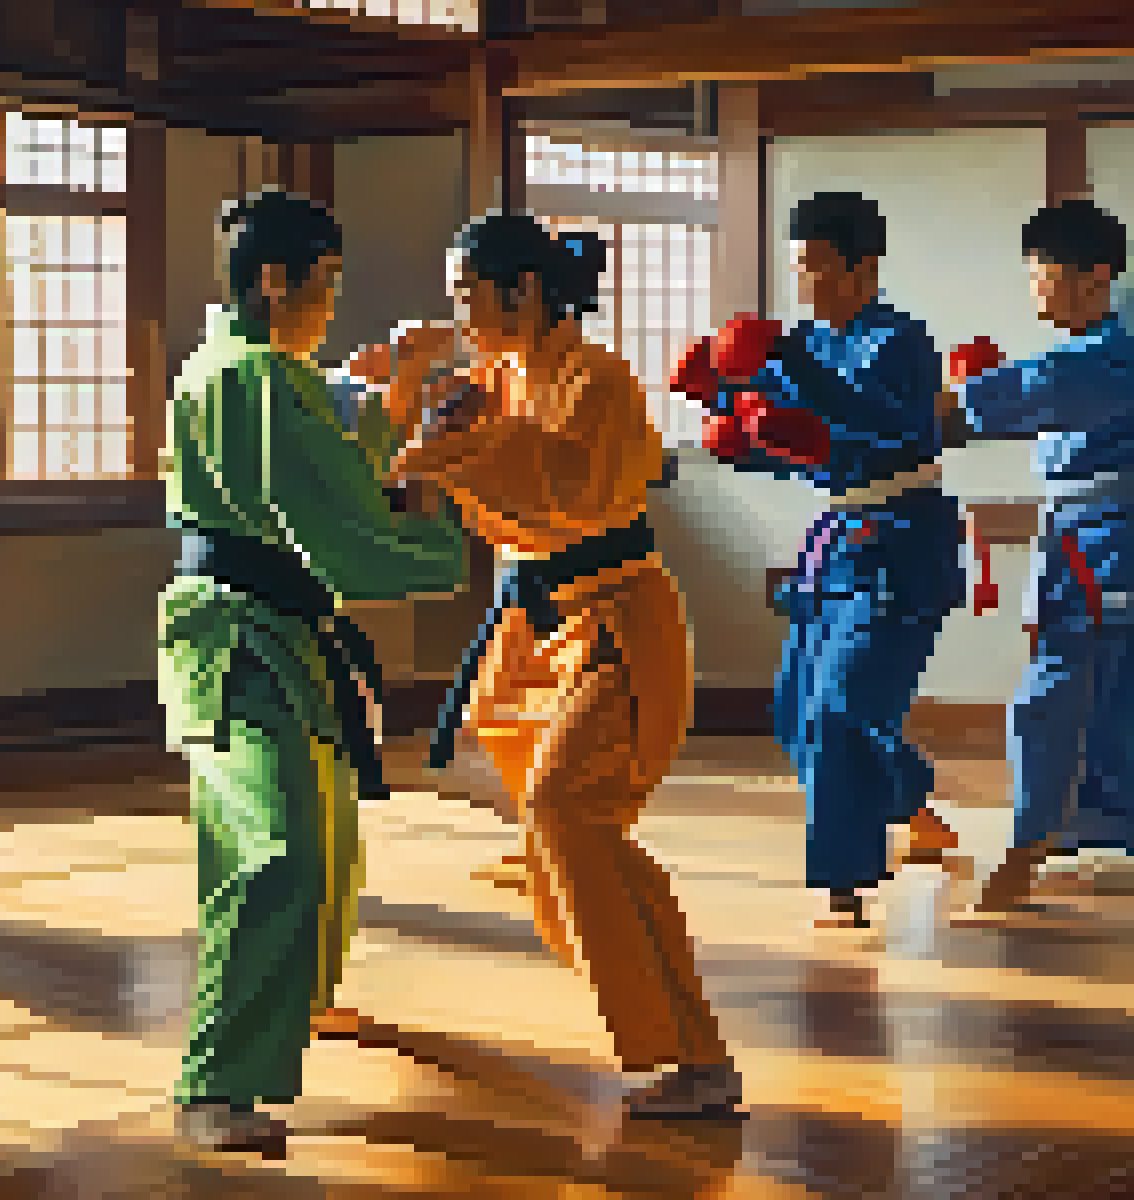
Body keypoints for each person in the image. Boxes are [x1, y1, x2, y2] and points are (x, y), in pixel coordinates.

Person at [363, 213, 741, 1118]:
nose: (459, 312)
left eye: (469, 293)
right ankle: (681, 1041)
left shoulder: (600, 382)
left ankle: (685, 1056)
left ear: (523, 292)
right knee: (562, 846)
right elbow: (427, 474)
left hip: (615, 621)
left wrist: (451, 449)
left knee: (569, 812)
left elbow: (567, 484)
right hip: (537, 635)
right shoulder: (494, 381)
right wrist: (417, 403)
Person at [160, 189, 468, 1155]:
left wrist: (393, 399)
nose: (333, 306)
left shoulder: (250, 368)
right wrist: (455, 533)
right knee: (276, 846)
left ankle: (296, 1008)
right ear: (273, 281)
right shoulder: (252, 378)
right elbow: (341, 531)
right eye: (326, 285)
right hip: (242, 636)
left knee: (316, 831)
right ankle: (218, 1082)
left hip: (262, 633)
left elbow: (328, 457)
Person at [696, 192, 967, 930]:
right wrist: (730, 419)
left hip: (902, 543)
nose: (807, 283)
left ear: (862, 266)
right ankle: (911, 805)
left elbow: (874, 421)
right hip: (836, 545)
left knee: (840, 711)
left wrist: (782, 366)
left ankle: (844, 885)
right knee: (793, 714)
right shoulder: (809, 343)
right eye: (799, 268)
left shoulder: (900, 341)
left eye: (818, 267)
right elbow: (803, 450)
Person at [951, 199, 1134, 915]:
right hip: (1090, 536)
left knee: (1054, 691)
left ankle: (1025, 849)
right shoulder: (1096, 353)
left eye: (1043, 275)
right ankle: (1073, 828)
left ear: (1095, 277)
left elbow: (1018, 396)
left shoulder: (1103, 359)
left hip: (1104, 544)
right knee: (1112, 692)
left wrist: (951, 397)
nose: (1035, 291)